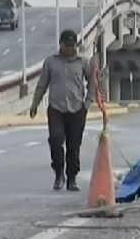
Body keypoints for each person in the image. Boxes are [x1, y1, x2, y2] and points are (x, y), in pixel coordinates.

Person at [30, 30, 95, 191]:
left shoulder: (83, 63)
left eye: (72, 46)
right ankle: (59, 174)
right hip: (56, 109)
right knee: (56, 140)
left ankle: (72, 178)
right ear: (61, 45)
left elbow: (93, 83)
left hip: (77, 110)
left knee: (74, 146)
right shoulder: (51, 62)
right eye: (67, 46)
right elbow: (42, 85)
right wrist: (35, 104)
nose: (70, 49)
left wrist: (87, 103)